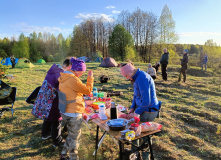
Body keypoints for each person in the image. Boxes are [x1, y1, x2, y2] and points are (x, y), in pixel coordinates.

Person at [120, 62, 161, 160]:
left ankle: (146, 157)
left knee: (144, 135)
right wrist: (132, 107)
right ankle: (135, 153)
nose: (126, 78)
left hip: (148, 111)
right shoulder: (135, 77)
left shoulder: (142, 78)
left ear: (131, 71)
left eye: (126, 75)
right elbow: (136, 95)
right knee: (134, 129)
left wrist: (137, 112)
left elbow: (147, 101)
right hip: (141, 108)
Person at [58, 57, 94, 160]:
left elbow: (72, 93)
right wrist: (90, 78)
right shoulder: (72, 79)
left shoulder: (64, 76)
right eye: (82, 72)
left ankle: (63, 155)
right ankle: (74, 157)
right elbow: (87, 90)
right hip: (73, 113)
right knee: (75, 138)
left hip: (65, 111)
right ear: (76, 70)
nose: (82, 74)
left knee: (71, 135)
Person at [41, 63, 64, 148]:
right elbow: (61, 89)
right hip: (53, 100)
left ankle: (45, 134)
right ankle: (57, 141)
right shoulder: (59, 74)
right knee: (56, 120)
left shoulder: (51, 72)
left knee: (48, 118)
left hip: (46, 99)